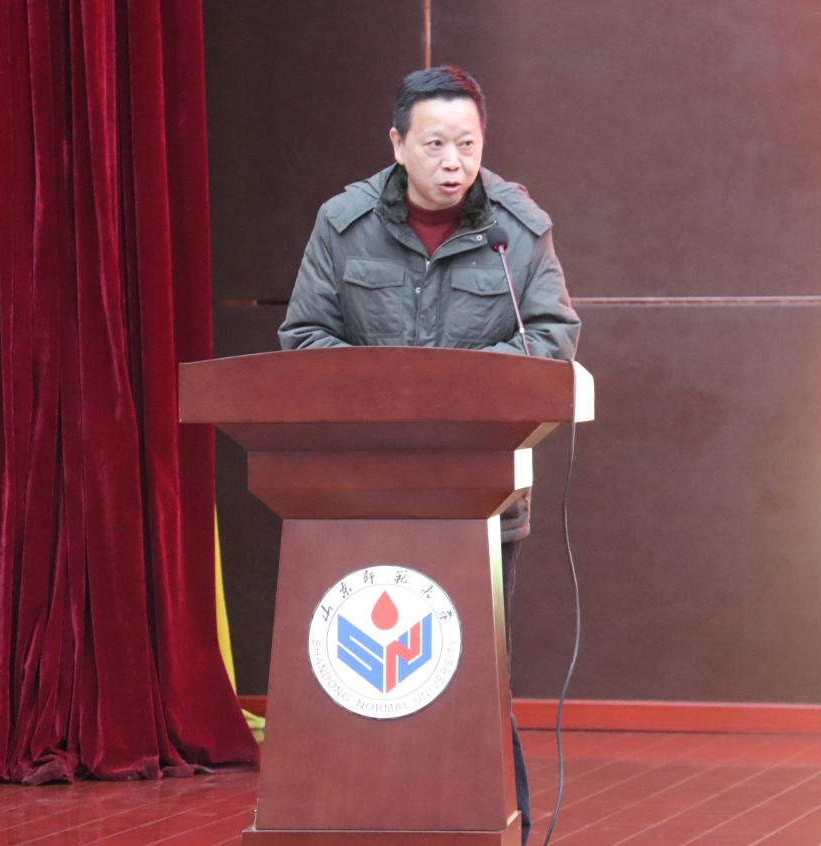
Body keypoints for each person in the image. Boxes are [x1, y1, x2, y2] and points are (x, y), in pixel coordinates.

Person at [278, 65, 580, 843]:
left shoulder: (518, 229)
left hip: (478, 494)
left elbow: (551, 339)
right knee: (360, 678)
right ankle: (355, 822)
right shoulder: (342, 223)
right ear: (397, 144)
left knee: (469, 671)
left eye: (467, 145)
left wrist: (454, 390)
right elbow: (303, 337)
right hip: (357, 492)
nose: (453, 162)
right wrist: (389, 392)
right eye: (435, 144)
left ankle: (498, 827)